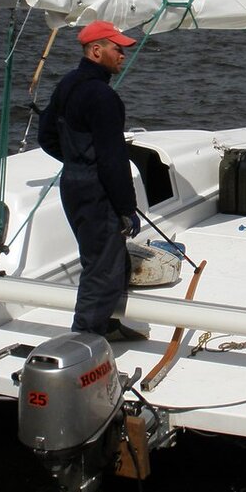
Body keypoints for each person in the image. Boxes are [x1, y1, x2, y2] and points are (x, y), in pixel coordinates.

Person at [38, 20, 145, 340]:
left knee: (113, 262)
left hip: (74, 184)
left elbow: (46, 136)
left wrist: (76, 161)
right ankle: (83, 341)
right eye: (117, 49)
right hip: (95, 190)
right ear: (96, 51)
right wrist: (127, 207)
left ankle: (107, 325)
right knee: (101, 271)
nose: (123, 55)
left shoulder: (67, 84)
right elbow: (113, 159)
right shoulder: (103, 97)